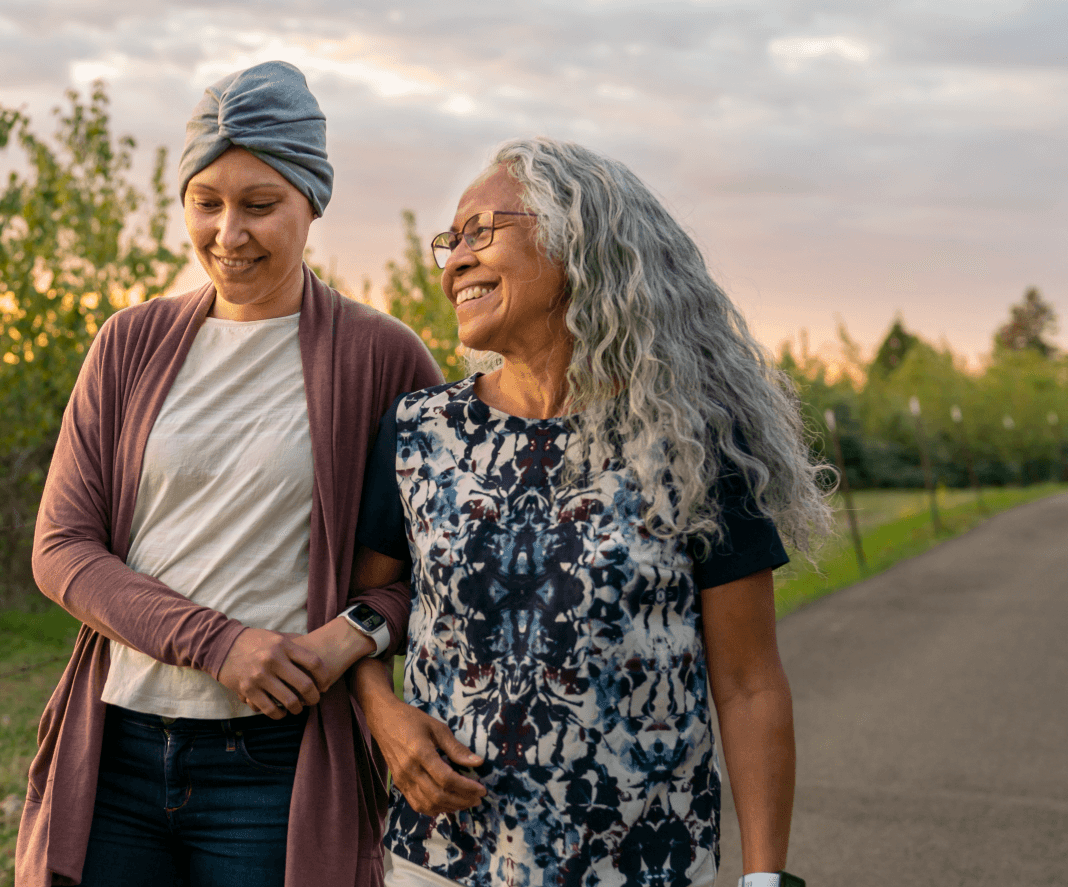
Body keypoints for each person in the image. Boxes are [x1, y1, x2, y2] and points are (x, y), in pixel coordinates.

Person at [348, 137, 833, 887]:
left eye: (483, 231)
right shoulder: (418, 434)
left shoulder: (691, 442)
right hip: (441, 860)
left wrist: (766, 878)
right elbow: (365, 612)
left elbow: (750, 683)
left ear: (581, 239)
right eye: (452, 240)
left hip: (644, 863)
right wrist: (384, 715)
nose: (454, 262)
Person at [13, 61, 443, 887]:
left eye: (259, 204)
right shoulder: (129, 343)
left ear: (311, 202)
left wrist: (348, 634)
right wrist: (221, 645)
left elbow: (439, 569)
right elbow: (62, 547)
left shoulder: (382, 357)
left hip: (278, 763)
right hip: (119, 747)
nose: (228, 232)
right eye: (206, 202)